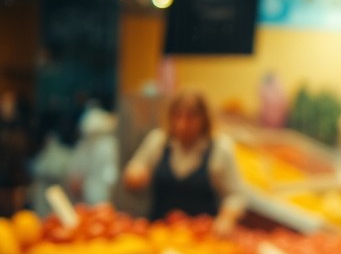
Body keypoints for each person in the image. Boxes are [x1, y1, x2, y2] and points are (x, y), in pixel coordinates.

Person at [122, 90, 246, 235]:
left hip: (200, 236)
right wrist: (135, 175)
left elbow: (235, 194)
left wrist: (227, 218)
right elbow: (135, 167)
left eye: (191, 118)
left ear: (204, 119)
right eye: (178, 116)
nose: (182, 124)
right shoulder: (158, 141)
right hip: (160, 232)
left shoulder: (220, 149)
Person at [67, 106, 119, 205]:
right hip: (86, 197)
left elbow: (111, 175)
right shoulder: (83, 146)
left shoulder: (108, 145)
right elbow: (75, 177)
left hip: (102, 197)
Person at [0, 91, 29, 215]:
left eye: (9, 102)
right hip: (2, 180)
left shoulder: (19, 127)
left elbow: (20, 158)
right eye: (4, 102)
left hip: (13, 182)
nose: (6, 105)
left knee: (13, 216)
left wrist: (20, 185)